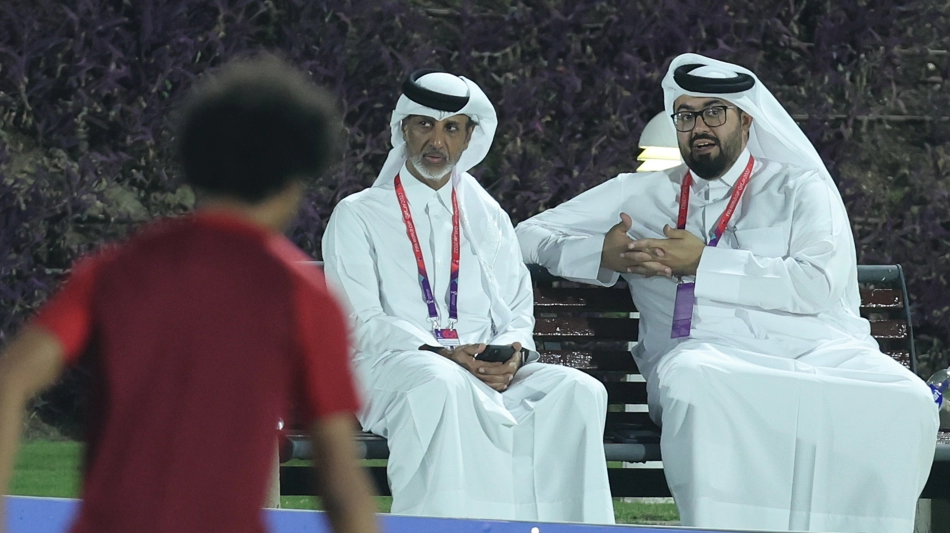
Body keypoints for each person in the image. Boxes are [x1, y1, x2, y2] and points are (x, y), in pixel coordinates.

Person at [516, 53, 938, 532]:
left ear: (746, 119)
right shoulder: (639, 194)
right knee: (694, 383)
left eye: (714, 112)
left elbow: (816, 284)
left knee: (905, 396)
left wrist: (703, 262)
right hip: (707, 357)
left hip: (818, 351)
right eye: (687, 115)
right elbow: (524, 235)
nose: (700, 127)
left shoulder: (800, 188)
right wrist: (600, 256)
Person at [0, 57, 379, 533]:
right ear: (294, 179)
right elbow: (342, 487)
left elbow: (11, 378)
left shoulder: (114, 272)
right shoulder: (304, 299)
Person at [321, 69, 614, 523]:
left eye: (451, 128)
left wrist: (512, 353)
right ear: (404, 129)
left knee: (578, 390)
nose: (436, 140)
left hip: (484, 369)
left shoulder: (489, 216)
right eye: (425, 125)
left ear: (468, 137)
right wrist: (444, 352)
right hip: (391, 363)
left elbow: (517, 306)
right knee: (441, 383)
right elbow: (358, 320)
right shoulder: (358, 214)